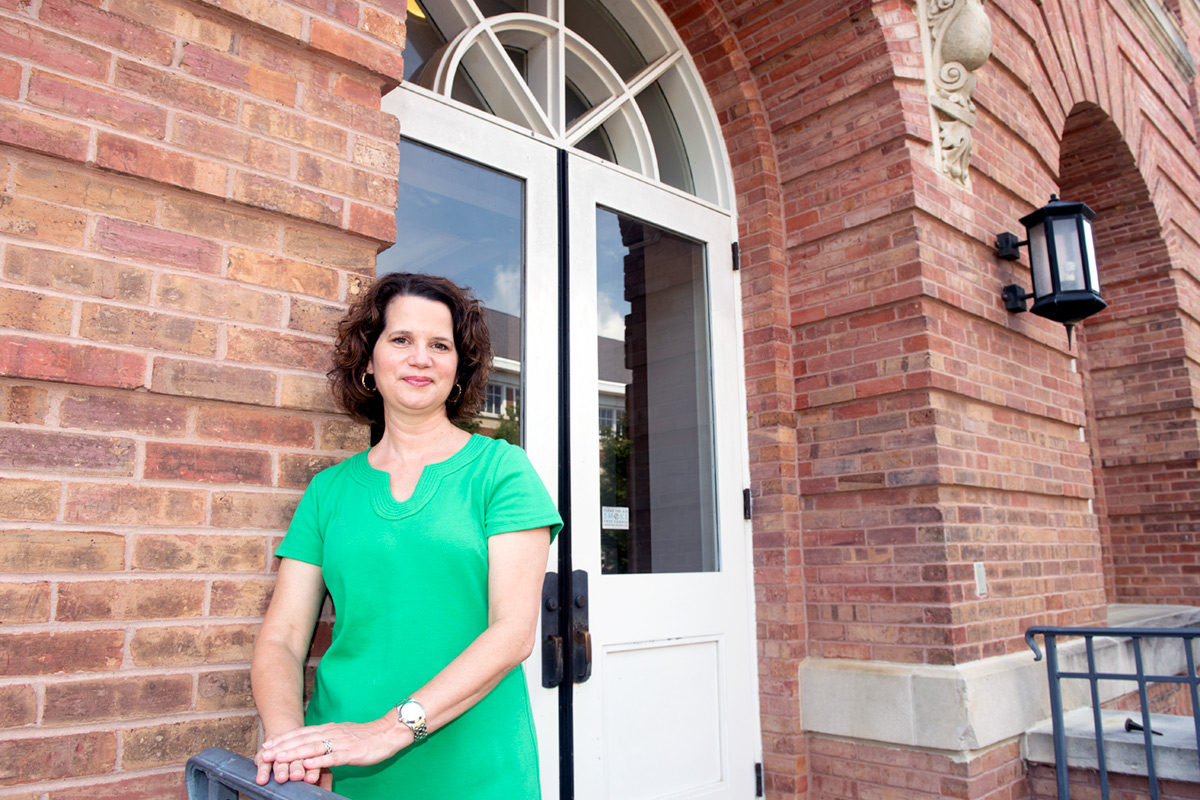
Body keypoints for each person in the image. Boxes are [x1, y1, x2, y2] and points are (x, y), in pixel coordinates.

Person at [251, 272, 562, 799]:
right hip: (340, 767)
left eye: (439, 345)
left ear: (458, 368)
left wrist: (388, 732)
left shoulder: (502, 471)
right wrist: (292, 745)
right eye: (401, 340)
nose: (421, 358)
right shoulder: (329, 490)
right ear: (369, 362)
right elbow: (281, 638)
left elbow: (512, 633)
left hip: (473, 765)